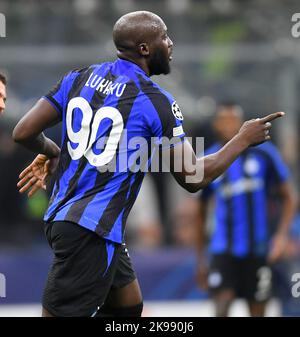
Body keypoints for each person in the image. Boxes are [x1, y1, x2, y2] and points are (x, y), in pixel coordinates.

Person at [13, 11, 284, 317]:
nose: (170, 43)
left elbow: (23, 132)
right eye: (164, 37)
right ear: (144, 48)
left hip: (70, 219)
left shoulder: (79, 77)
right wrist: (242, 139)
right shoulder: (155, 101)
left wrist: (52, 150)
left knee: (128, 306)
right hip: (90, 231)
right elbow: (194, 177)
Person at [195, 102, 296, 317]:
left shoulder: (265, 154)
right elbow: (200, 211)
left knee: (257, 310)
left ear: (242, 124)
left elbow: (289, 197)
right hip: (223, 249)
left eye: (233, 119)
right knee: (221, 307)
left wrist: (281, 236)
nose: (228, 125)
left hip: (259, 248)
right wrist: (201, 258)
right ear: (215, 125)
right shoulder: (209, 160)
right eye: (224, 120)